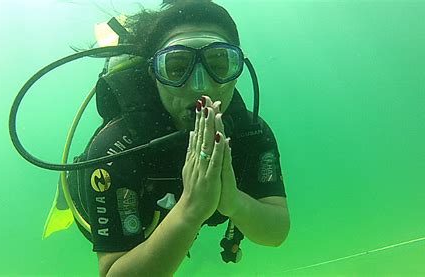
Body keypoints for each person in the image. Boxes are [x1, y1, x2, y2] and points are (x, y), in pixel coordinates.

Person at [43, 0, 290, 276]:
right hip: (121, 204)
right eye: (176, 67)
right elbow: (113, 272)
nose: (200, 86)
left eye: (219, 65)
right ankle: (63, 194)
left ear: (238, 71)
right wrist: (191, 209)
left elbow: (276, 231)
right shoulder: (115, 148)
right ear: (154, 74)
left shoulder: (251, 132)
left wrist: (233, 201)